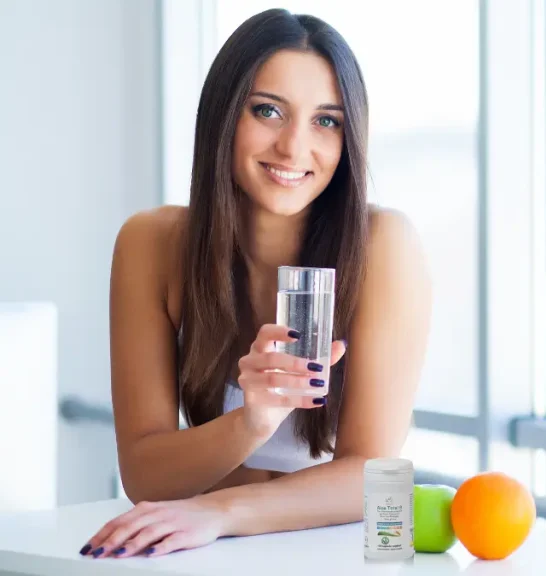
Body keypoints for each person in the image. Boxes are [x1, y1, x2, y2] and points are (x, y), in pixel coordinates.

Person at [78, 9, 431, 559]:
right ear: (224, 114)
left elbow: (373, 474)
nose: (294, 148)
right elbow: (145, 473)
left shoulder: (384, 244)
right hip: (203, 550)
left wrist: (219, 512)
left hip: (329, 552)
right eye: (269, 111)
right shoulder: (151, 244)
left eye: (326, 121)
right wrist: (252, 421)